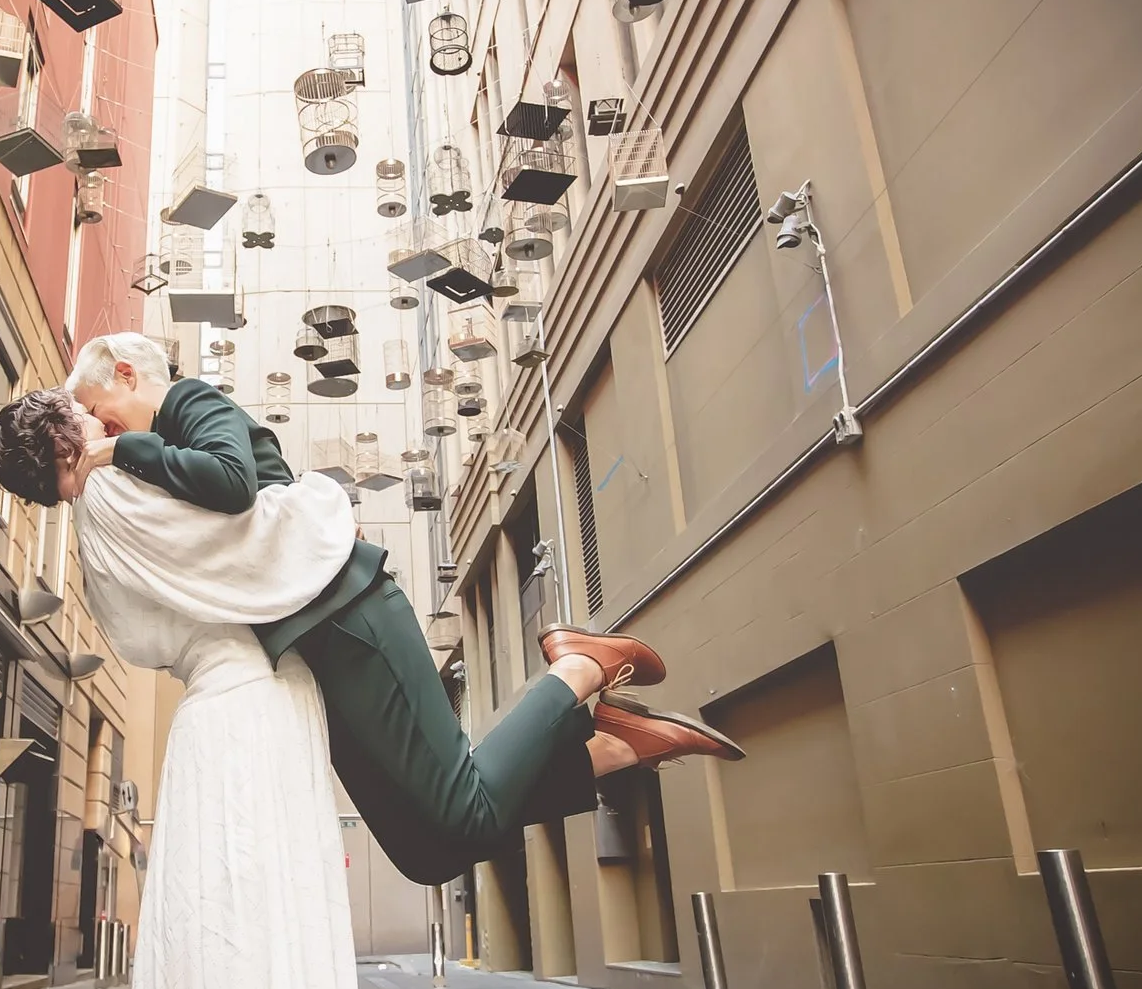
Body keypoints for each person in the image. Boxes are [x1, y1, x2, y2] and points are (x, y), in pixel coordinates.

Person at [58, 331, 740, 887]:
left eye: (105, 414)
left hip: (351, 617)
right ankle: (611, 749)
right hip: (320, 646)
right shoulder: (159, 458)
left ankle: (580, 670)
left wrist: (118, 446)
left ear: (126, 374)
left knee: (462, 815)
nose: (100, 434)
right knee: (427, 856)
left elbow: (235, 486)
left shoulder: (189, 404)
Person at [0, 389, 366, 989]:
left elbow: (149, 637)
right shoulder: (119, 489)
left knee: (202, 962)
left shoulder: (89, 537)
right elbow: (256, 542)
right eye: (86, 419)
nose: (108, 423)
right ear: (64, 437)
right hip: (253, 710)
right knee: (254, 957)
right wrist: (313, 497)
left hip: (211, 716)